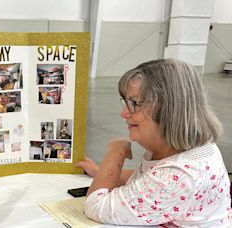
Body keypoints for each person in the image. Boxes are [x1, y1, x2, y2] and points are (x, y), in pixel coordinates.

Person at [76, 59, 231, 227]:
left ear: (169, 109)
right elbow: (147, 178)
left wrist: (116, 152)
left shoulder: (180, 176)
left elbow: (95, 206)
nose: (124, 113)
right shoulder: (187, 149)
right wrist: (101, 172)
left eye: (134, 103)